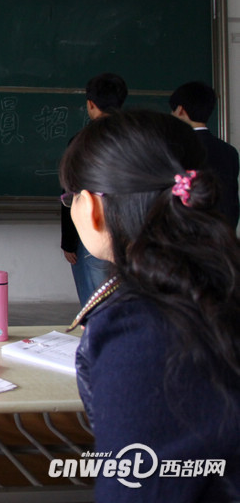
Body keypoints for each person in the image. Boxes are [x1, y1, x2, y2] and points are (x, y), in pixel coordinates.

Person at [60, 109, 240, 500]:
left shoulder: (139, 331)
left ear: (91, 207)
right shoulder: (218, 281)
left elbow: (137, 487)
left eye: (70, 195)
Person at [61, 72, 126, 305]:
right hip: (133, 234)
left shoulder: (82, 141)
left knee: (94, 306)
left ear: (90, 104)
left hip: (91, 236)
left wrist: (68, 241)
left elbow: (71, 193)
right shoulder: (138, 138)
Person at [169, 80, 239, 229]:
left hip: (186, 238)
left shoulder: (175, 150)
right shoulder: (229, 152)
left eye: (173, 111)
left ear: (181, 110)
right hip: (221, 239)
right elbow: (231, 203)